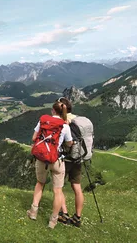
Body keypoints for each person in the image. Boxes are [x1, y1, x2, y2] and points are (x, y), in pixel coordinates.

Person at [27, 101, 73, 229]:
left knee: (40, 183)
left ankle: (33, 212)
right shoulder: (65, 126)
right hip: (57, 161)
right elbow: (69, 143)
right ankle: (53, 221)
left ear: (52, 110)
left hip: (42, 159)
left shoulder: (43, 121)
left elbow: (33, 138)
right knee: (57, 191)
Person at [57, 97, 84, 227]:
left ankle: (64, 214)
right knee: (77, 187)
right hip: (78, 157)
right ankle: (77, 217)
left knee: (59, 186)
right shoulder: (78, 119)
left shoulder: (64, 120)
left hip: (66, 158)